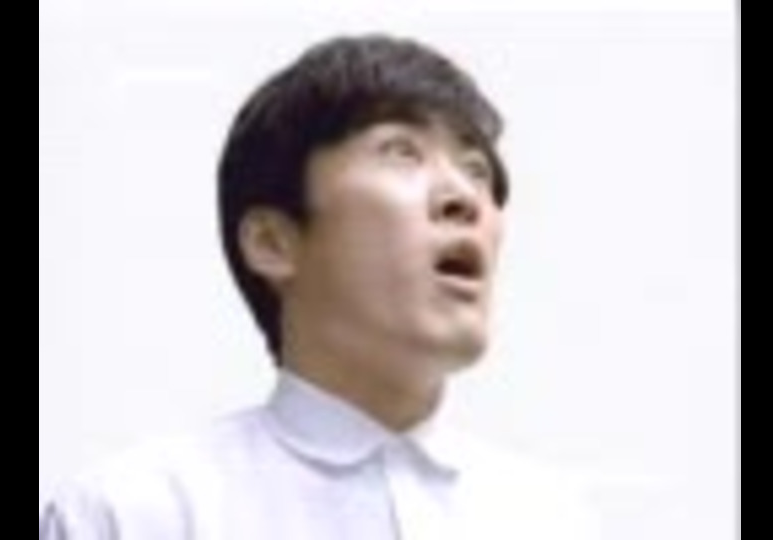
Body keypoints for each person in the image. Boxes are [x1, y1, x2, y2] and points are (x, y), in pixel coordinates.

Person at [40, 34, 598, 540]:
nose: (467, 198)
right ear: (272, 242)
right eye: (401, 151)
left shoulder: (552, 520)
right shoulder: (135, 515)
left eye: (477, 169)